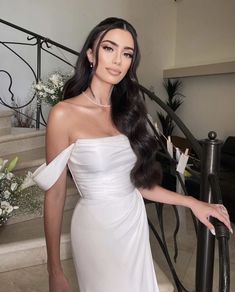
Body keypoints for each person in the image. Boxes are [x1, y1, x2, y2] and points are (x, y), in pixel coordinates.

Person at [33, 17, 232, 292]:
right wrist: (54, 271)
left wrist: (192, 203)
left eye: (127, 54)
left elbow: (140, 185)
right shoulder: (64, 114)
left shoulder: (131, 113)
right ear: (91, 55)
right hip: (96, 229)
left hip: (133, 223)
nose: (117, 60)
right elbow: (54, 196)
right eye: (108, 49)